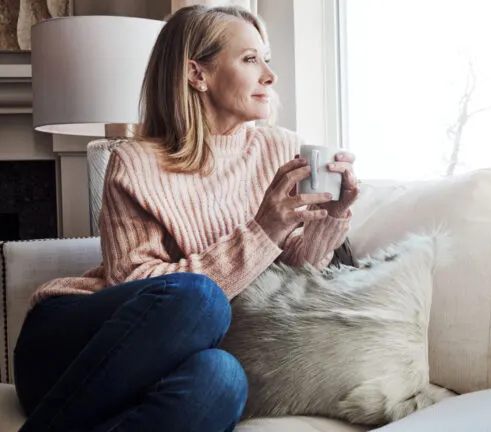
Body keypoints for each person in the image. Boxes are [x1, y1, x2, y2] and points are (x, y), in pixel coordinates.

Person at [12, 5, 359, 431]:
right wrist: (262, 230)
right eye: (250, 59)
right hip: (69, 345)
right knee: (201, 298)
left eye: (267, 59)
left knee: (222, 378)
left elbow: (281, 277)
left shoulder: (280, 149)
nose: (269, 75)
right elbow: (140, 291)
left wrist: (330, 219)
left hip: (157, 369)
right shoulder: (135, 161)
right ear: (198, 74)